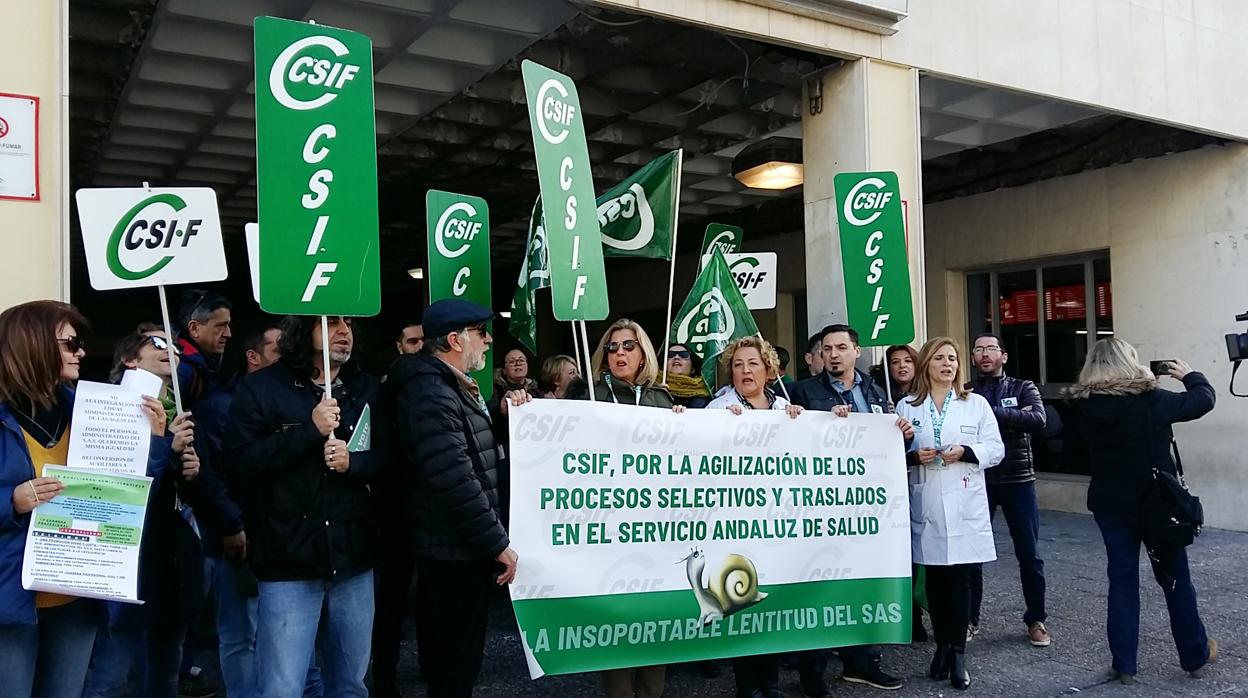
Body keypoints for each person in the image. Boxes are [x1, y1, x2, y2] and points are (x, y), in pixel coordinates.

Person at [228, 315, 383, 698]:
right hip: (288, 562)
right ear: (301, 331)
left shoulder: (366, 387)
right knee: (283, 688)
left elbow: (391, 458)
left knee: (350, 685)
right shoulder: (260, 388)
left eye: (349, 324)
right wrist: (308, 433)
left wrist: (356, 464)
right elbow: (240, 462)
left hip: (353, 559)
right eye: (331, 324)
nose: (345, 331)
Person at [385, 299, 518, 697]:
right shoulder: (431, 392)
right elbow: (454, 478)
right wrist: (497, 542)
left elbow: (472, 450)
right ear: (456, 340)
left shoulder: (448, 387)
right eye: (482, 332)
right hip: (452, 552)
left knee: (456, 664)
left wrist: (503, 417)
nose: (489, 340)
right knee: (454, 667)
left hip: (456, 546)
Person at [1067, 339, 1217, 684]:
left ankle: (1125, 663)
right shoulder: (1150, 400)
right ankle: (1194, 654)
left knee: (1121, 580)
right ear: (1129, 362)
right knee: (1176, 579)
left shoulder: (1082, 404)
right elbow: (1202, 400)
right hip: (1157, 504)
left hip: (1109, 501)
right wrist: (1191, 375)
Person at [83, 324, 209, 698]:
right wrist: (164, 449)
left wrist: (189, 474)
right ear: (128, 359)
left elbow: (178, 493)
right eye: (157, 342)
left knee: (166, 668)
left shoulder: (180, 412)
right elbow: (116, 489)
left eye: (173, 344)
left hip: (170, 559)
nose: (168, 348)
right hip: (124, 557)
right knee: (112, 672)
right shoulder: (104, 406)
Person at [0, 301, 112, 698]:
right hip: (10, 600)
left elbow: (125, 485)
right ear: (31, 345)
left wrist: (157, 443)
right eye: (70, 343)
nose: (81, 351)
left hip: (76, 593)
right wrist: (10, 501)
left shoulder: (93, 409)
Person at [790, 324, 910, 694]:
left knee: (862, 583)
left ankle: (861, 661)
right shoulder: (804, 392)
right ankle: (813, 671)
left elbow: (892, 452)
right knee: (820, 587)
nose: (835, 354)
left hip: (866, 510)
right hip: (821, 508)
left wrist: (904, 435)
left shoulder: (877, 392)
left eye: (842, 347)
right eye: (828, 348)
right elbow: (790, 444)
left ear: (857, 351)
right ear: (820, 355)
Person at [571, 318, 681, 698]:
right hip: (607, 527)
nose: (619, 353)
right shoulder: (588, 394)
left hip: (654, 531)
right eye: (613, 347)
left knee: (655, 627)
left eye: (628, 346)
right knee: (617, 630)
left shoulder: (661, 398)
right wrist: (521, 404)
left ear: (643, 352)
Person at [894, 337, 1004, 691]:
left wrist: (967, 451)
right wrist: (913, 457)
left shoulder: (975, 405)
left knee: (961, 580)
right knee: (936, 583)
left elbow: (996, 448)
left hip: (964, 501)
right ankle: (941, 645)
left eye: (953, 358)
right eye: (940, 358)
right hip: (926, 500)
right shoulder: (907, 406)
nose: (948, 364)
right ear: (926, 364)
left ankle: (957, 653)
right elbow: (891, 452)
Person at [706, 336, 802, 698]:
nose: (745, 370)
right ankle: (746, 685)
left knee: (773, 602)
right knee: (743, 602)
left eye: (753, 363)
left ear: (768, 369)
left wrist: (800, 423)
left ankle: (771, 682)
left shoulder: (785, 407)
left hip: (776, 522)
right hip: (737, 522)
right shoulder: (719, 409)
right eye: (738, 364)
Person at [966, 333, 1051, 647]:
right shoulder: (966, 392)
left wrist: (989, 414)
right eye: (979, 349)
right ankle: (969, 619)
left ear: (1003, 355)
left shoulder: (1022, 387)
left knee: (1029, 555)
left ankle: (1036, 619)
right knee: (971, 555)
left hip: (1019, 481)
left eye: (991, 349)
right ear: (973, 358)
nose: (985, 354)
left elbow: (1037, 419)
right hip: (978, 480)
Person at [175, 289, 232, 405]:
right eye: (220, 326)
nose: (228, 334)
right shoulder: (180, 370)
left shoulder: (199, 363)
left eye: (228, 325)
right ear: (194, 328)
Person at [664, 342, 711, 408]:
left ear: (693, 369)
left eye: (683, 355)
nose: (676, 357)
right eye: (670, 355)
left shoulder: (706, 400)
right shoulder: (654, 392)